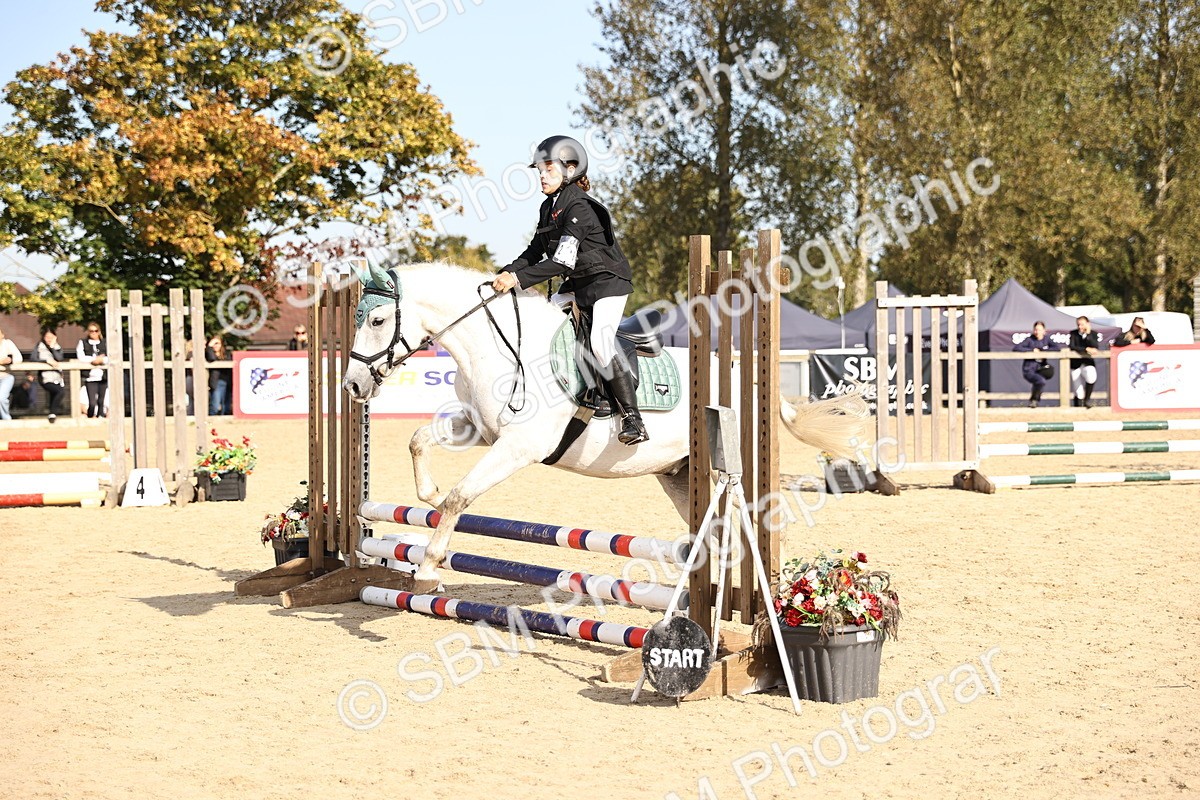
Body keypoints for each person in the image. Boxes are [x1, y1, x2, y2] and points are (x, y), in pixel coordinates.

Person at [490, 135, 647, 445]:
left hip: (607, 284)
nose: (541, 177)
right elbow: (533, 252)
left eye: (548, 170)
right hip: (578, 285)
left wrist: (518, 280)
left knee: (601, 342)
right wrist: (507, 272)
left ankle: (633, 418)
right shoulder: (549, 208)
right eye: (539, 171)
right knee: (542, 320)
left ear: (571, 169)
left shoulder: (581, 208)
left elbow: (562, 261)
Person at [1014, 321, 1060, 408]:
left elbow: (1057, 348)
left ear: (1044, 331)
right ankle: (1034, 400)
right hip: (1029, 369)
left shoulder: (1046, 339)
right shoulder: (1029, 340)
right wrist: (1031, 350)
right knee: (1040, 381)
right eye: (1035, 330)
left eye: (1039, 330)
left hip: (1042, 368)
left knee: (1042, 379)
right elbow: (1017, 348)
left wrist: (1042, 351)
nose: (1037, 332)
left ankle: (1034, 401)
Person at [1068, 316, 1103, 408]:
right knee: (1078, 390)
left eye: (1082, 324)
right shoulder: (1073, 334)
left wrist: (1088, 334)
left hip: (1087, 362)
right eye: (1078, 324)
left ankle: (1087, 399)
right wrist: (1086, 349)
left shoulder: (1093, 334)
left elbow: (1095, 346)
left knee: (1091, 376)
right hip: (1075, 364)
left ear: (1088, 324)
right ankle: (1078, 407)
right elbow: (1072, 346)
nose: (1080, 327)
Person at [34, 328, 68, 422]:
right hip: (44, 377)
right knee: (60, 392)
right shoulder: (39, 346)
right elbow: (33, 358)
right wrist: (46, 361)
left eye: (51, 337)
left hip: (57, 376)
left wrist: (52, 347)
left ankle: (51, 415)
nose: (48, 339)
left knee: (55, 393)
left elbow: (59, 358)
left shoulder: (57, 347)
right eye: (47, 337)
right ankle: (52, 413)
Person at [76, 322, 108, 417]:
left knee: (102, 401)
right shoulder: (83, 342)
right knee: (92, 402)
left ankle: (101, 416)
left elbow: (110, 357)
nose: (93, 333)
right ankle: (90, 416)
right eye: (91, 331)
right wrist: (94, 360)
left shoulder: (105, 342)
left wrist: (102, 360)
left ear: (99, 332)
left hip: (103, 376)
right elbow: (81, 357)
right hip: (90, 377)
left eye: (95, 331)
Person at [0, 325, 26, 420]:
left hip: (6, 376)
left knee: (1, 398)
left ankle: (6, 419)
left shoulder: (8, 344)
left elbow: (19, 358)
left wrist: (10, 360)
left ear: (2, 335)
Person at [206, 334, 233, 415]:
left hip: (227, 381)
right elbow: (212, 358)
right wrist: (209, 347)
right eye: (214, 343)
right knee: (215, 404)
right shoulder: (209, 353)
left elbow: (228, 362)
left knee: (226, 405)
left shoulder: (226, 354)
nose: (215, 345)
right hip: (216, 382)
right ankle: (212, 420)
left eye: (217, 343)